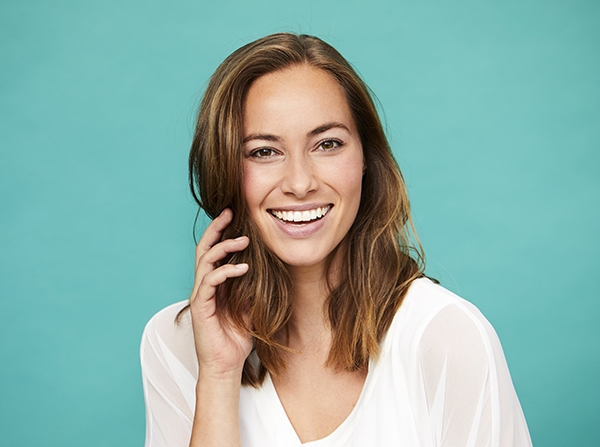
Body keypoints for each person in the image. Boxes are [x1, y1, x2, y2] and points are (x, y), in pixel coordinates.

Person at [140, 33, 532, 447]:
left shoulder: (448, 338)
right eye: (263, 152)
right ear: (225, 170)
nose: (300, 182)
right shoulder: (176, 342)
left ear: (366, 159)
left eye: (327, 144)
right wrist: (218, 375)